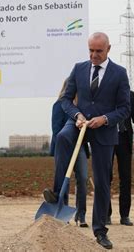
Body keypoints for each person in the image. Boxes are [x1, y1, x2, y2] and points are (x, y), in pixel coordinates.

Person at [43, 32, 131, 249]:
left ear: (108, 49)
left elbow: (125, 108)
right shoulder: (79, 68)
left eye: (98, 51)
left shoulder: (119, 74)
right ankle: (57, 194)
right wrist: (77, 115)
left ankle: (100, 230)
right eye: (90, 50)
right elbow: (65, 99)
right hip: (79, 123)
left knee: (101, 182)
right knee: (62, 137)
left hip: (103, 129)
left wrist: (105, 119)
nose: (93, 55)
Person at [50, 79, 89, 228]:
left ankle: (81, 215)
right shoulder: (59, 105)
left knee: (83, 178)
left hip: (79, 147)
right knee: (63, 180)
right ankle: (62, 214)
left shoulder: (81, 107)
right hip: (64, 148)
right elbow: (56, 129)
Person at [107, 90, 134, 226]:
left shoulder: (129, 94)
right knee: (106, 177)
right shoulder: (102, 91)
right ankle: (106, 215)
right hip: (106, 139)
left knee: (126, 178)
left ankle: (125, 215)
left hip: (124, 139)